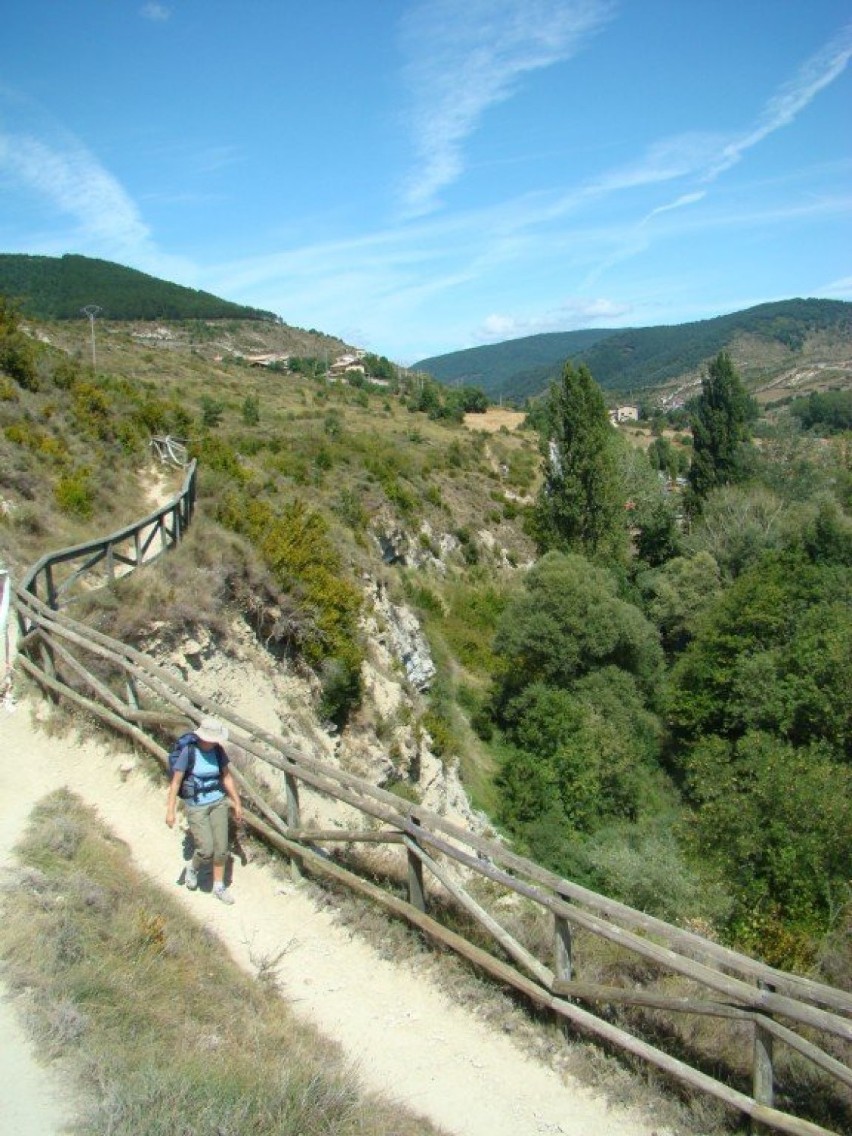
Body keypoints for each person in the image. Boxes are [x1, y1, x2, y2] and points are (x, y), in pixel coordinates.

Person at [165, 717, 243, 905]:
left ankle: (218, 886)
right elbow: (176, 782)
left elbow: (226, 777)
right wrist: (170, 811)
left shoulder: (218, 751)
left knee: (222, 849)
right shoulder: (189, 752)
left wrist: (236, 802)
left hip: (218, 802)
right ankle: (192, 868)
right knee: (206, 849)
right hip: (196, 805)